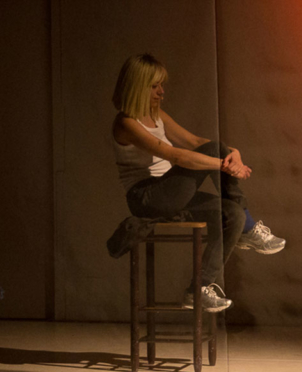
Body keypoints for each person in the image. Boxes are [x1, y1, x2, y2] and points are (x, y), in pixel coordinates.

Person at [111, 53, 284, 312]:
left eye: (161, 85)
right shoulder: (125, 123)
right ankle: (250, 229)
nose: (161, 92)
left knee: (232, 215)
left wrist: (232, 152)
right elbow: (175, 155)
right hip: (147, 197)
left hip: (172, 193)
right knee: (214, 150)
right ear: (137, 87)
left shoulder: (157, 114)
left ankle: (198, 290)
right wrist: (223, 163)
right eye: (155, 86)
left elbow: (194, 142)